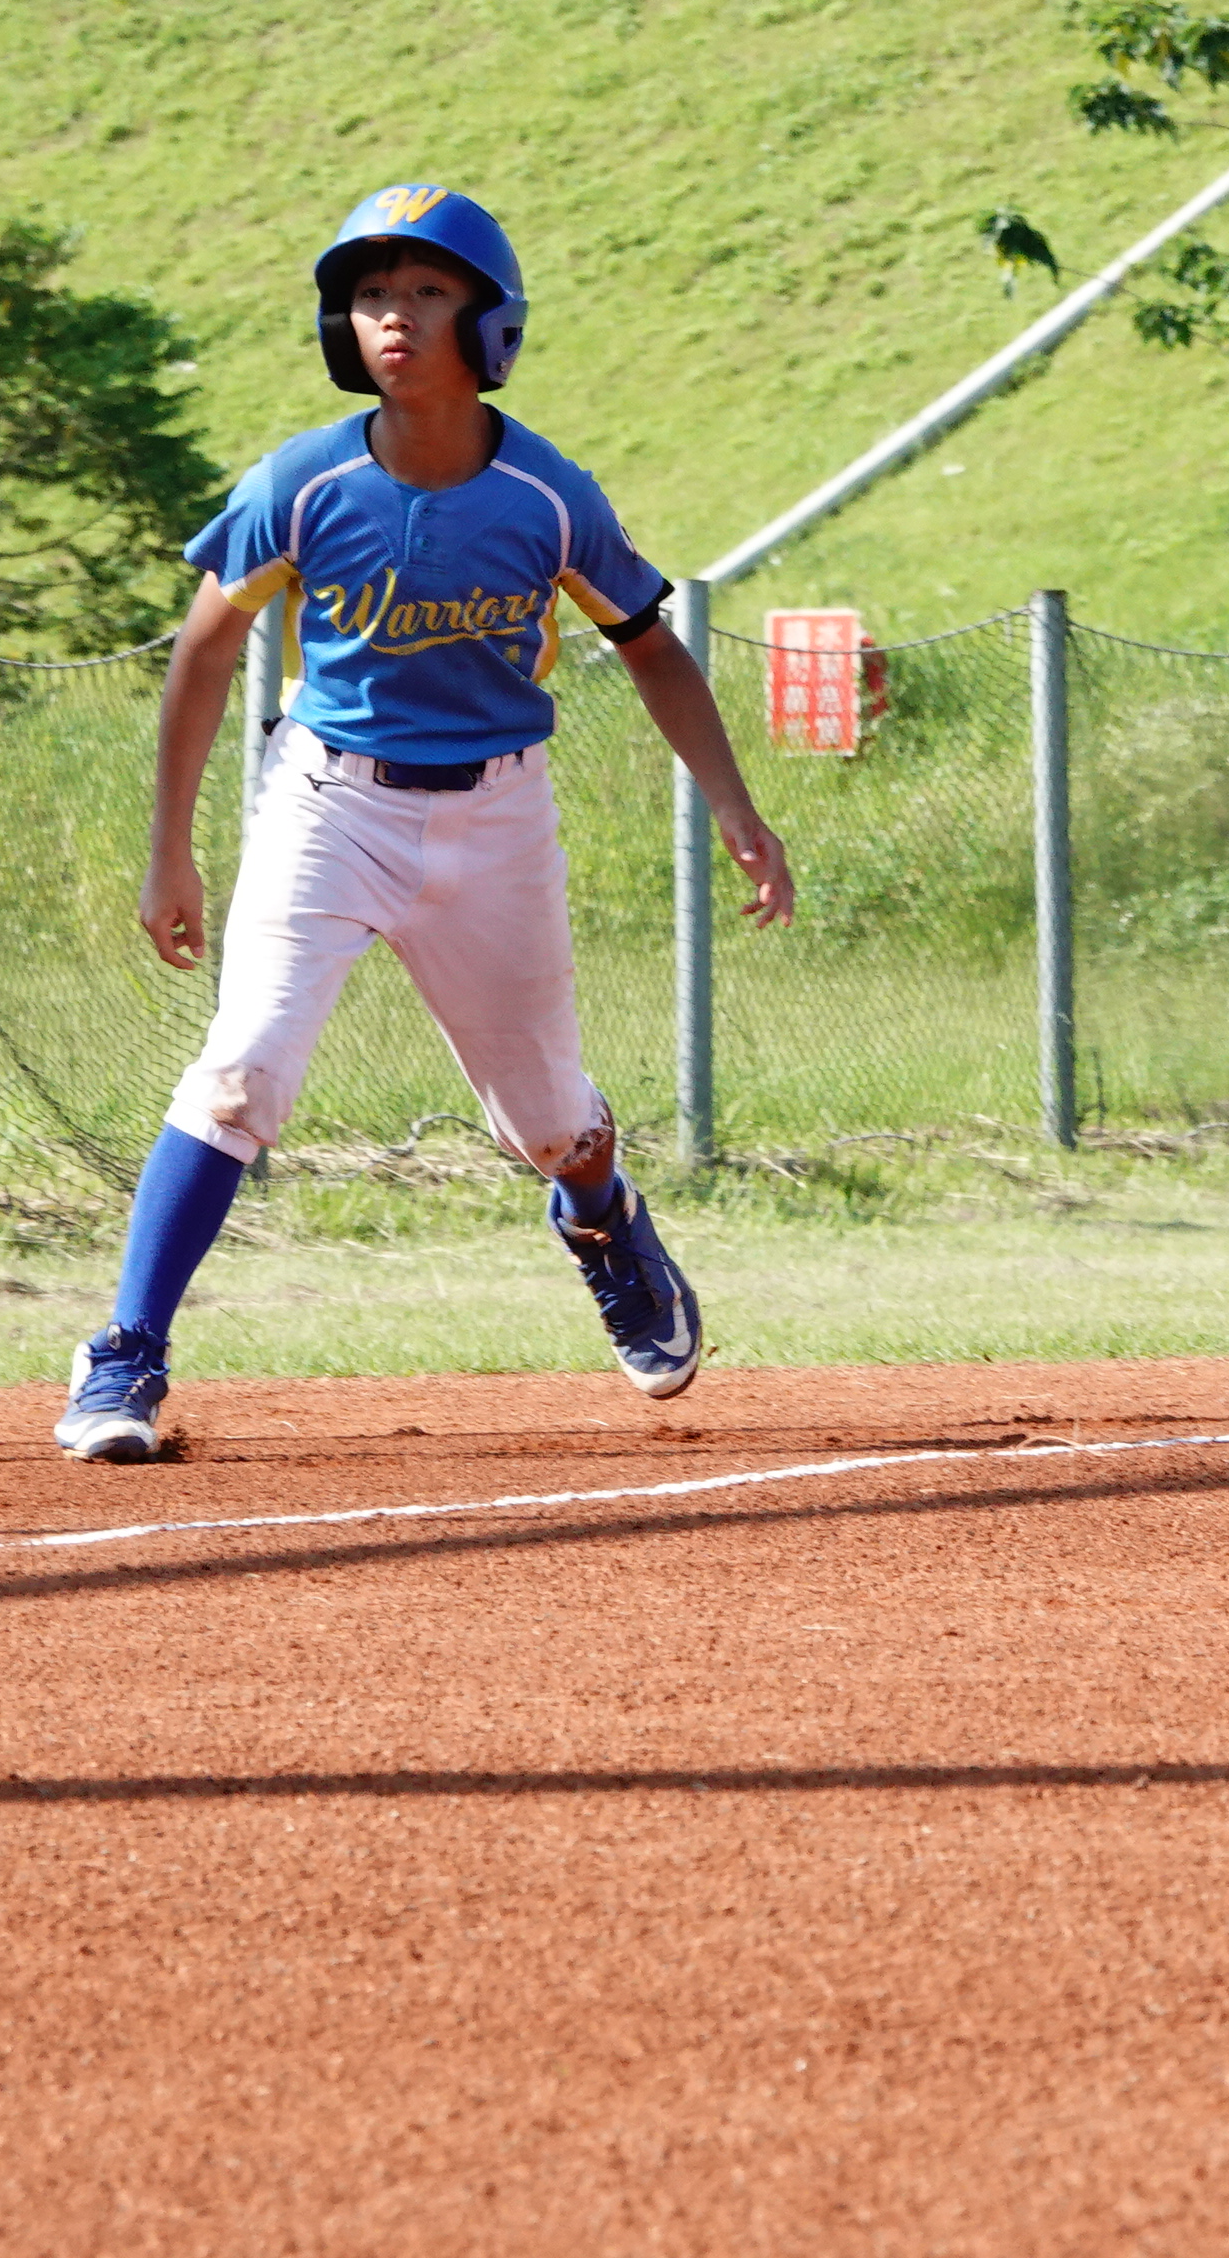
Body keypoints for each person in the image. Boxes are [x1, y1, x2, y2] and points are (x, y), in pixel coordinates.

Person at [55, 183, 794, 1463]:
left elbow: (648, 643)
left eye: (427, 291)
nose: (393, 315)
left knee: (549, 1124)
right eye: (371, 294)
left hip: (498, 814)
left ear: (489, 323)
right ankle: (125, 1355)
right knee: (241, 1071)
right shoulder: (303, 482)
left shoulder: (547, 495)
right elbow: (206, 650)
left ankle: (600, 1212)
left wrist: (734, 802)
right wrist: (170, 847)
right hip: (328, 803)